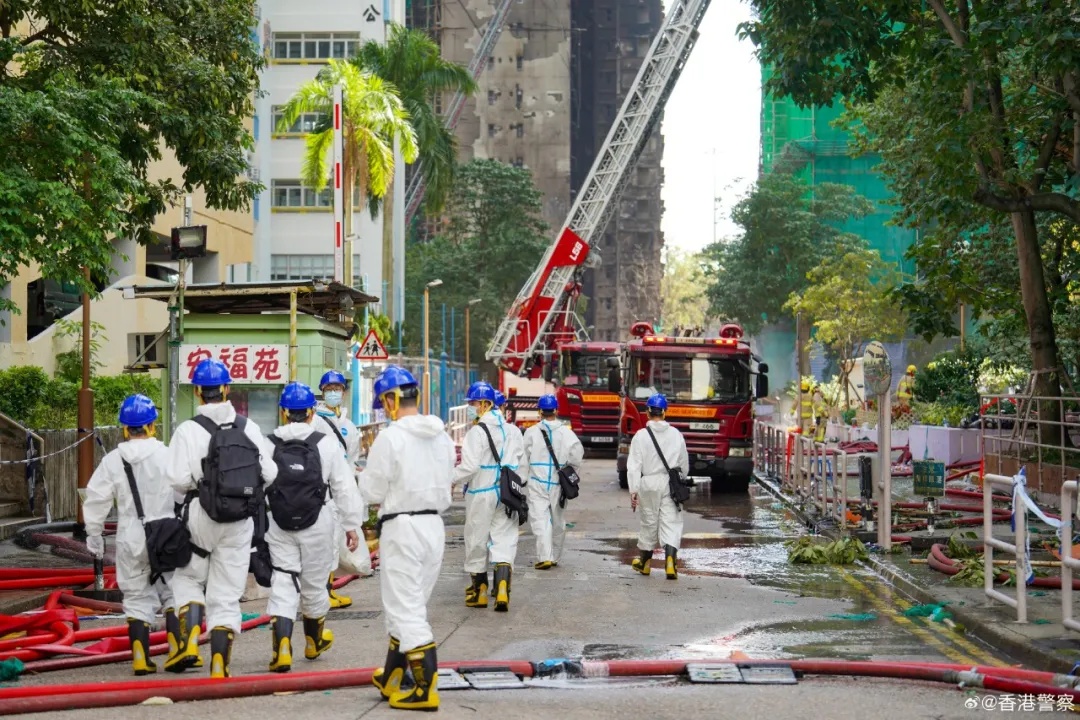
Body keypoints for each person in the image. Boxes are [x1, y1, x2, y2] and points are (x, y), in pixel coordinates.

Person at [165, 358, 278, 677]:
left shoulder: (188, 430)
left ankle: (187, 643)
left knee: (188, 577)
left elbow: (176, 478)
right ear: (226, 390)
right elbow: (270, 472)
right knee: (226, 592)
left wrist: (204, 486)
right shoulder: (248, 427)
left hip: (201, 512)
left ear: (199, 392)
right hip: (240, 519)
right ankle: (219, 662)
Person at [361, 366, 454, 711]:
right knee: (411, 603)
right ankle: (391, 677)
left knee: (406, 610)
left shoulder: (391, 437)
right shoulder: (441, 435)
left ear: (390, 399)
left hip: (402, 527)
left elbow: (371, 490)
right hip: (434, 527)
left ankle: (425, 688)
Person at [266, 382, 364, 673]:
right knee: (314, 581)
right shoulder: (325, 443)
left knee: (284, 580)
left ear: (284, 412)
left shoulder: (268, 442)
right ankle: (313, 641)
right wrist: (351, 526)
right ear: (311, 412)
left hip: (279, 521)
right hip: (318, 519)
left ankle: (281, 647)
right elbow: (344, 488)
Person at [83, 394, 176, 676]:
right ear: (152, 425)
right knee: (174, 592)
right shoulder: (167, 454)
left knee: (136, 597)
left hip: (131, 536)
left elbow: (96, 498)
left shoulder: (113, 460)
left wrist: (94, 535)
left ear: (125, 428)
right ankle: (177, 652)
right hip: (166, 533)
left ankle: (140, 658)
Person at [453, 381, 524, 611]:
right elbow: (520, 462)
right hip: (506, 494)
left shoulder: (476, 432)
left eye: (473, 403)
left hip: (481, 493)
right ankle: (502, 588)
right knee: (504, 539)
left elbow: (470, 467)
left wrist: (449, 478)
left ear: (485, 404)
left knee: (476, 540)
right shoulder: (512, 431)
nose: (471, 407)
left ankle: (480, 591)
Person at [627, 393, 689, 580]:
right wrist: (680, 480)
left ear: (647, 412)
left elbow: (634, 466)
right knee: (671, 521)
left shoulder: (640, 436)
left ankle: (645, 563)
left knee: (649, 521)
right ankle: (670, 562)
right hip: (670, 482)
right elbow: (683, 463)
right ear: (664, 412)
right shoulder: (676, 434)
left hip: (648, 483)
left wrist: (633, 490)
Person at [313, 369, 361, 610]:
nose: (333, 393)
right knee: (325, 542)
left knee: (334, 541)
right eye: (329, 389)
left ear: (344, 391)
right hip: (321, 489)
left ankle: (327, 590)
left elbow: (352, 460)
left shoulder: (349, 426)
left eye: (337, 389)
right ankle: (323, 592)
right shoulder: (316, 420)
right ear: (322, 391)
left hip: (339, 490)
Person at [523, 394, 583, 569]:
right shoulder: (567, 433)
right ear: (556, 410)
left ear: (540, 411)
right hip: (558, 483)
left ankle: (545, 556)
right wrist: (570, 474)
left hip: (537, 481)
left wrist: (523, 480)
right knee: (557, 520)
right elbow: (577, 456)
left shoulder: (531, 432)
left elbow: (523, 459)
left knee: (539, 518)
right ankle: (553, 556)